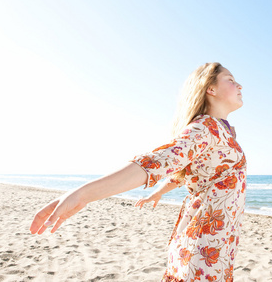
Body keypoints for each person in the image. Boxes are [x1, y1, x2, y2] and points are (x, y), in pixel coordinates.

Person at [30, 62, 246, 282]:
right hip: (205, 243)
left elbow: (191, 170)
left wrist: (160, 192)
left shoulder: (222, 131)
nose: (239, 85)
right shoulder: (206, 128)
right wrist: (82, 195)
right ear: (210, 88)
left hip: (220, 240)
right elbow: (158, 161)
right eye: (230, 79)